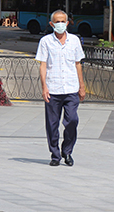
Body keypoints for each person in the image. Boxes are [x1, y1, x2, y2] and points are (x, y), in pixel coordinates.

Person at [36, 10, 85, 167]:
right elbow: (43, 65)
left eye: (63, 21)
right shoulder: (45, 41)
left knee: (72, 120)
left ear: (68, 22)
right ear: (51, 24)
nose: (60, 24)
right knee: (52, 124)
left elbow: (78, 64)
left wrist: (82, 86)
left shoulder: (75, 41)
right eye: (57, 22)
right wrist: (44, 87)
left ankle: (67, 150)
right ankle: (55, 154)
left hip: (71, 88)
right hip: (53, 88)